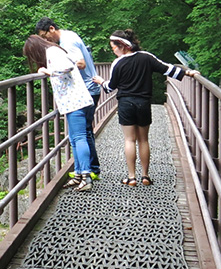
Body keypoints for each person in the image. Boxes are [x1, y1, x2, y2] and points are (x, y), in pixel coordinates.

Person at [91, 28, 198, 186]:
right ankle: (145, 176)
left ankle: (132, 177)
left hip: (126, 103)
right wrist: (188, 73)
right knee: (143, 140)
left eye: (113, 46)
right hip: (144, 103)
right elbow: (167, 69)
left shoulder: (118, 63)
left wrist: (100, 81)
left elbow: (109, 87)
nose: (112, 50)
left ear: (122, 45)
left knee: (129, 140)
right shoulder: (147, 57)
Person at [24, 33, 96, 192]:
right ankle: (79, 174)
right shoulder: (55, 50)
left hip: (75, 101)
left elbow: (67, 67)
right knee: (75, 139)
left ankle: (86, 176)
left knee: (79, 137)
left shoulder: (52, 52)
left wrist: (48, 72)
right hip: (75, 101)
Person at [35, 17, 100, 179]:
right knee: (82, 133)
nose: (45, 40)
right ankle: (87, 170)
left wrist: (52, 70)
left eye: (45, 36)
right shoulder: (68, 36)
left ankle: (90, 170)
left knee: (81, 134)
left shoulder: (67, 42)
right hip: (87, 88)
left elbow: (80, 64)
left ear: (52, 28)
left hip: (85, 89)